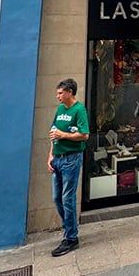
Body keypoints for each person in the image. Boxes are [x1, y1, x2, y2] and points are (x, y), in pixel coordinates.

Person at [48, 78, 90, 256]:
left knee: (67, 198)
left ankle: (71, 237)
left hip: (71, 159)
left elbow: (84, 135)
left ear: (70, 92)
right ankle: (69, 229)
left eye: (60, 93)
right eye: (57, 93)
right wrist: (50, 154)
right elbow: (53, 132)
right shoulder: (59, 109)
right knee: (57, 198)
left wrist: (63, 135)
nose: (57, 96)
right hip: (57, 158)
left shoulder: (79, 110)